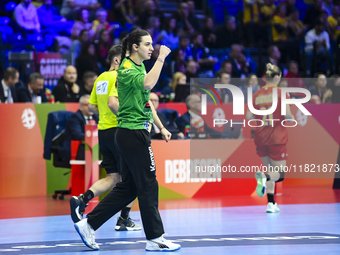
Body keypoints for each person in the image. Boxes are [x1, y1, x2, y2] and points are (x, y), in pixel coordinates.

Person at [73, 29, 181, 252]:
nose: (152, 48)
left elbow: (145, 102)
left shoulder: (139, 66)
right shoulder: (126, 68)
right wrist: (161, 57)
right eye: (148, 44)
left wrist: (161, 127)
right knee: (149, 183)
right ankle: (155, 238)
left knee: (129, 187)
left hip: (133, 132)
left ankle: (89, 224)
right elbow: (148, 85)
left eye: (153, 45)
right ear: (134, 47)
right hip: (132, 133)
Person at [70, 45, 141, 231]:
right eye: (126, 59)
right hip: (120, 131)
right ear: (117, 60)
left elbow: (92, 106)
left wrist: (105, 114)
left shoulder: (100, 78)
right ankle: (124, 219)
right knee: (132, 178)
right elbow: (113, 103)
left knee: (113, 177)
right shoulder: (121, 76)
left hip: (103, 132)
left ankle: (82, 200)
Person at [246, 63, 295, 213]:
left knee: (270, 169)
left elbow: (249, 116)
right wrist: (292, 118)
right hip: (277, 138)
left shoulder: (256, 94)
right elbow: (287, 115)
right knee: (278, 175)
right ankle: (264, 177)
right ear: (277, 77)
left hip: (260, 137)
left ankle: (271, 203)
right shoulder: (281, 92)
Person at [60, 94, 99, 164]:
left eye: (92, 104)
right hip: (77, 149)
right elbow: (78, 135)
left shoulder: (96, 117)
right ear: (81, 107)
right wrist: (94, 138)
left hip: (92, 148)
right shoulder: (75, 118)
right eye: (87, 105)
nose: (90, 107)